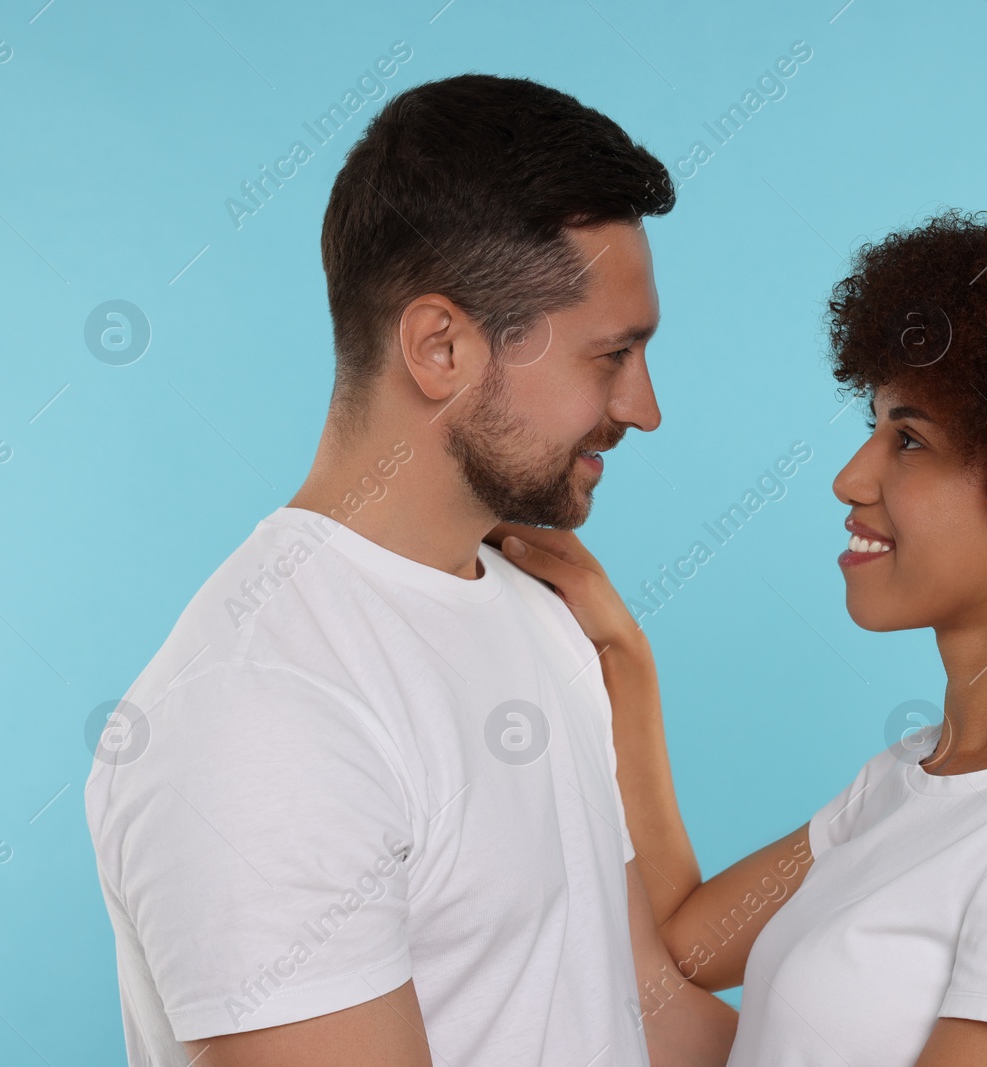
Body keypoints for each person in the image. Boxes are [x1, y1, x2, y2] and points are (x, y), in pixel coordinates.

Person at [491, 208, 987, 1067]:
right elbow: (681, 943)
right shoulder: (906, 781)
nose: (852, 477)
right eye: (875, 425)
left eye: (910, 439)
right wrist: (623, 660)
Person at [83, 74, 738, 1066]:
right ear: (441, 347)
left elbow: (642, 1011)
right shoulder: (261, 713)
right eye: (612, 356)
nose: (644, 407)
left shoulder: (540, 612)